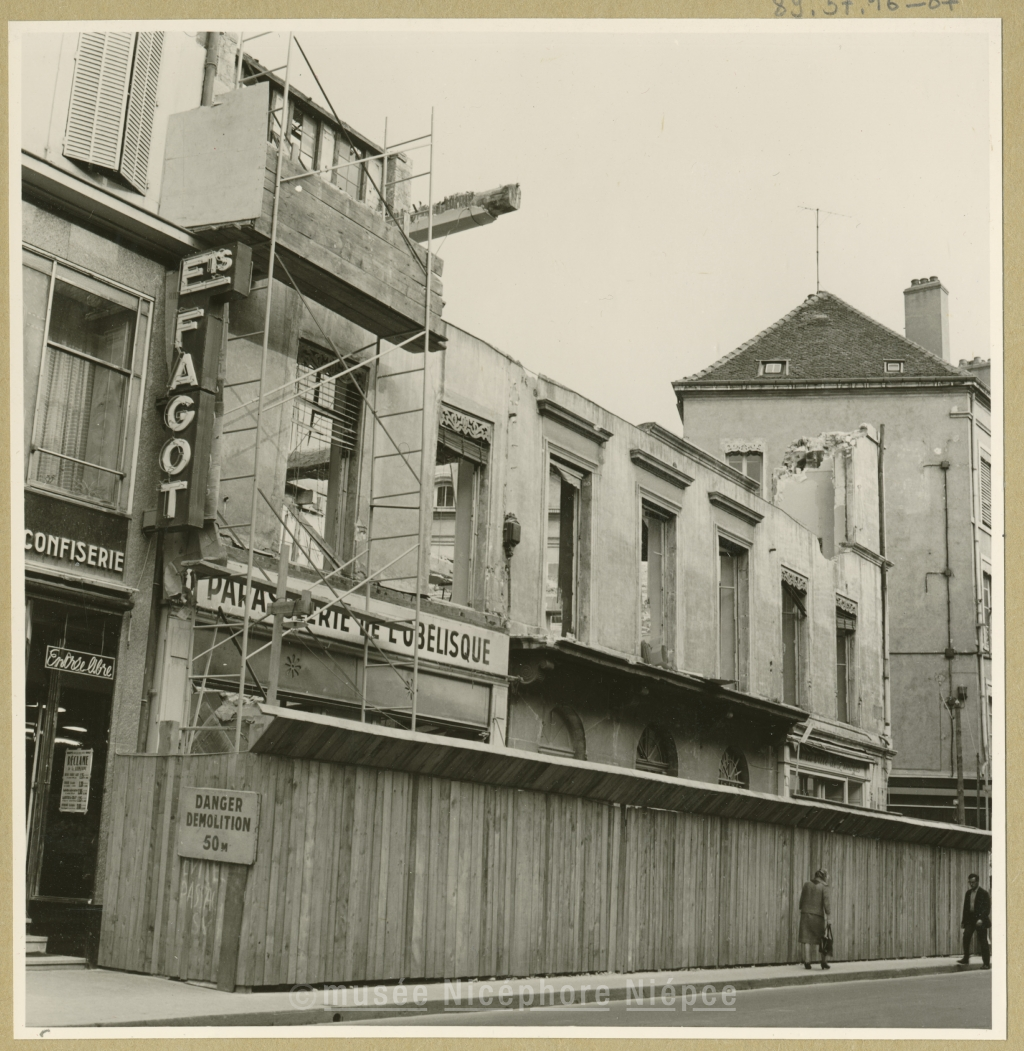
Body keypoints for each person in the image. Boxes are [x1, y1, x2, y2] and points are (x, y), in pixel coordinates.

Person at [798, 868, 831, 970]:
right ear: (823, 876)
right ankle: (823, 962)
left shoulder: (806, 884)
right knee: (822, 939)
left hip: (805, 914)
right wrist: (829, 916)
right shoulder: (823, 887)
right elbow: (826, 904)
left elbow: (802, 899)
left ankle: (807, 962)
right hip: (817, 916)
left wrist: (802, 908)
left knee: (806, 939)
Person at [958, 872, 991, 969]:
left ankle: (986, 963)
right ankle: (966, 958)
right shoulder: (968, 893)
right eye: (970, 882)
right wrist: (963, 922)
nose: (971, 884)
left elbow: (987, 908)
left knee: (983, 941)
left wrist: (981, 919)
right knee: (966, 937)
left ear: (977, 882)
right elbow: (966, 908)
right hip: (970, 919)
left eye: (973, 882)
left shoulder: (983, 893)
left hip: (980, 920)